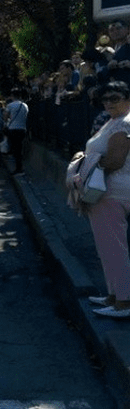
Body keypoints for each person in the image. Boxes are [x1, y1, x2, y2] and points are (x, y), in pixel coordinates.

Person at [77, 81, 130, 318]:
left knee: (114, 248)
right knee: (107, 247)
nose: (109, 103)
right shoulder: (114, 121)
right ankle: (113, 295)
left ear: (127, 98)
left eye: (115, 98)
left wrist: (87, 166)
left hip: (110, 191)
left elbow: (115, 161)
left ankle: (124, 303)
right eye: (105, 99)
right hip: (107, 190)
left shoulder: (124, 124)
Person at [5, 89, 29, 175]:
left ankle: (18, 168)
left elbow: (5, 117)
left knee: (15, 149)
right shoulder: (25, 105)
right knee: (19, 147)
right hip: (22, 128)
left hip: (13, 128)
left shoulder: (10, 105)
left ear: (12, 96)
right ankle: (20, 166)